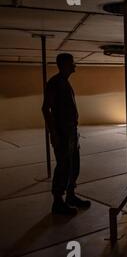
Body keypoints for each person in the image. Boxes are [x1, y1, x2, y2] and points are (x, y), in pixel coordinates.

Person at [42, 53, 91, 216]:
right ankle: (58, 202)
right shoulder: (54, 83)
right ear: (63, 65)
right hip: (62, 132)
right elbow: (45, 108)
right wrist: (54, 133)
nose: (74, 66)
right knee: (63, 166)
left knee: (73, 165)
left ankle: (70, 196)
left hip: (71, 131)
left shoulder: (64, 82)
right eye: (72, 63)